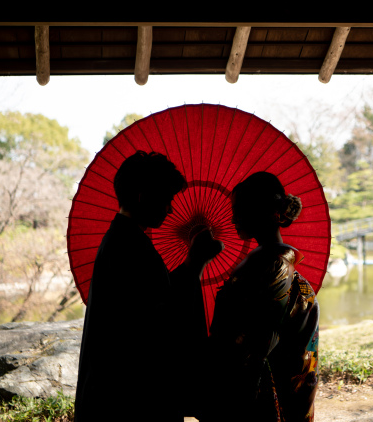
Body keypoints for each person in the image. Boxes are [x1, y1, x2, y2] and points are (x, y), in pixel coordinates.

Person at [75, 150, 221, 422]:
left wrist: (193, 261)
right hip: (129, 398)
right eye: (166, 199)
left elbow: (157, 298)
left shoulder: (124, 240)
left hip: (116, 392)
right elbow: (159, 320)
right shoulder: (129, 247)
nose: (170, 209)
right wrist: (196, 262)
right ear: (143, 196)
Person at [204, 171, 319, 422]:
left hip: (261, 399)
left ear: (262, 211)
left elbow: (251, 346)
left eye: (239, 209)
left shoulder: (271, 269)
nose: (233, 218)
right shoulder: (272, 267)